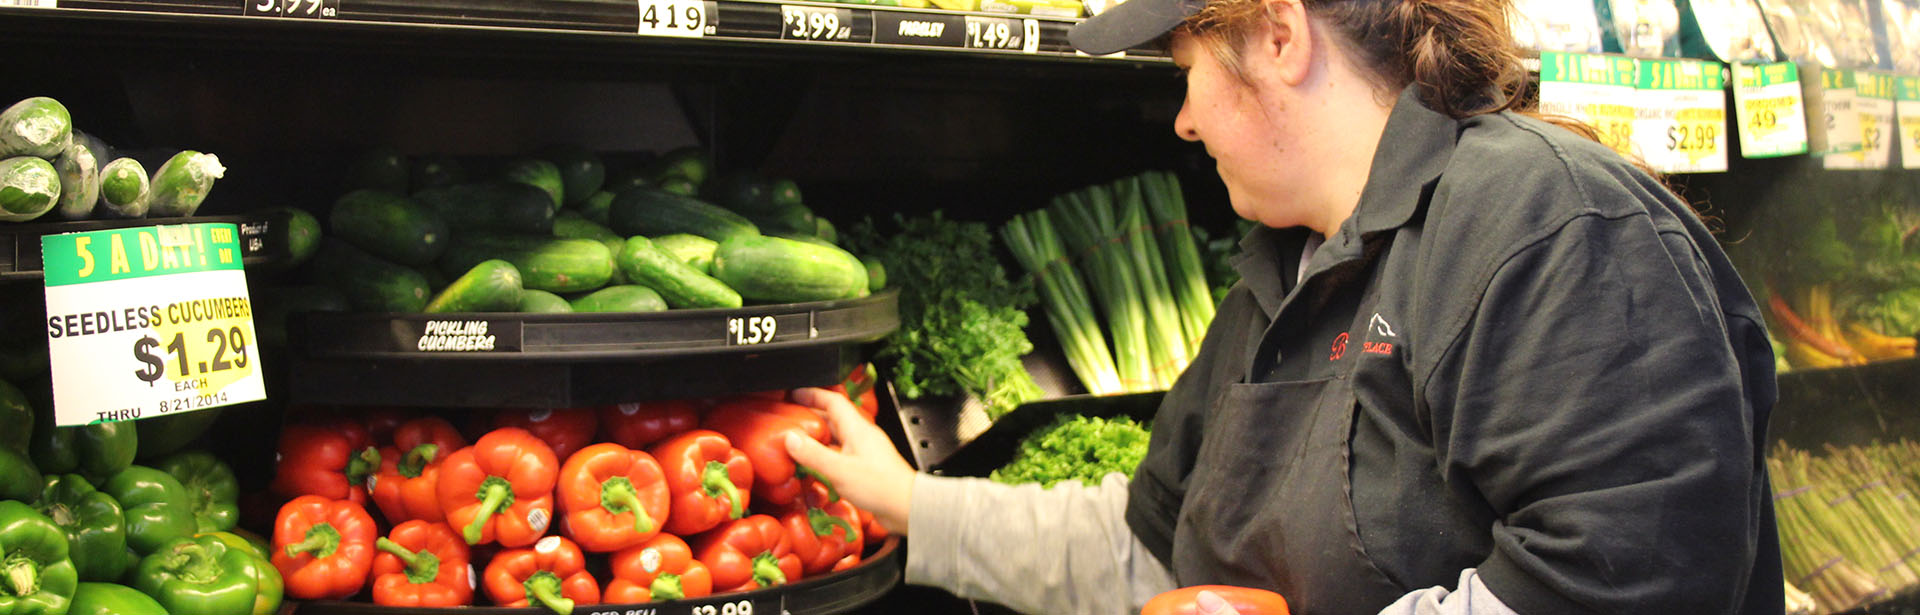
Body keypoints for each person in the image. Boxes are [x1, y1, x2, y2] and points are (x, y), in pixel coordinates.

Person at [787, 0, 1783, 612]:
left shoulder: (1556, 225)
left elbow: (1627, 584)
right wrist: (910, 506)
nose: (1180, 118)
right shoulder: (1285, 272)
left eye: (1187, 69)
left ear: (1277, 31)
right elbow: (1153, 550)